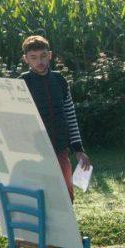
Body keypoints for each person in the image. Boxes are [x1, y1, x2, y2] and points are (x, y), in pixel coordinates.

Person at [20, 36, 91, 202]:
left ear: (50, 55)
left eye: (43, 56)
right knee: (40, 197)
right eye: (34, 57)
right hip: (34, 152)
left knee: (65, 196)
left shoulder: (59, 80)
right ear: (26, 59)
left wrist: (78, 149)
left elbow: (70, 115)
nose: (40, 61)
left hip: (60, 148)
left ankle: (66, 228)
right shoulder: (22, 82)